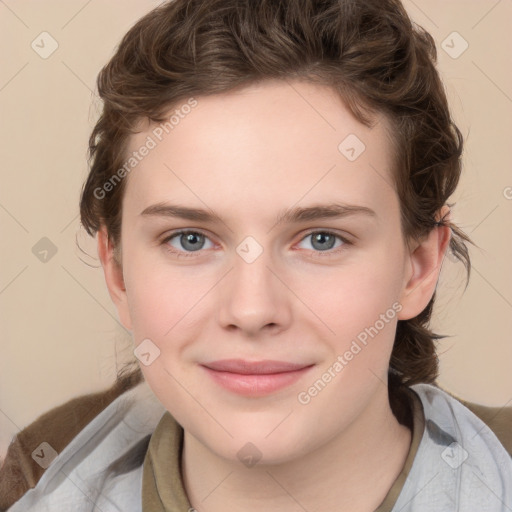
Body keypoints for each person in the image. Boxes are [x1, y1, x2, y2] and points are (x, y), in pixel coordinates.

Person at [2, 0, 511, 510]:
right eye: (190, 239)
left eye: (321, 239)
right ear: (118, 272)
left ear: (418, 267)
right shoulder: (39, 472)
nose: (251, 310)